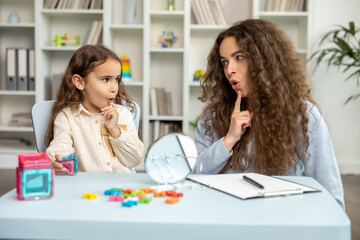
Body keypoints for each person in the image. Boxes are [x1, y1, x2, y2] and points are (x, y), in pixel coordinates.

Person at [194, 19, 344, 208]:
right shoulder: (212, 117)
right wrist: (228, 141)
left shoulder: (302, 114)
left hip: (279, 219)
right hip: (224, 217)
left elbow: (331, 193)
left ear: (264, 60)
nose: (229, 70)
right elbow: (194, 174)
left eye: (239, 57)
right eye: (224, 62)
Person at [45, 44, 144, 174]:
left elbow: (134, 159)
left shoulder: (122, 114)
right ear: (80, 82)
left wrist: (115, 130)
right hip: (87, 189)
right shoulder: (67, 117)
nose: (114, 87)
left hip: (123, 188)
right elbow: (61, 149)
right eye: (105, 79)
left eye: (117, 79)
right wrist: (58, 161)